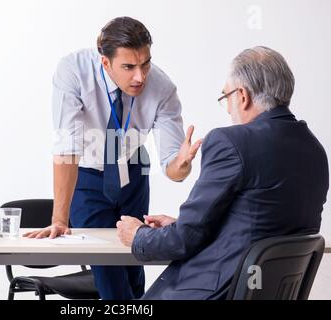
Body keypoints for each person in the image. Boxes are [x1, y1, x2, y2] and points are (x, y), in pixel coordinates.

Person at [117, 46, 329, 300]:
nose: (228, 109)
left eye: (225, 96)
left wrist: (139, 235)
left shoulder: (231, 141)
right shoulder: (314, 149)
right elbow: (260, 228)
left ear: (242, 95)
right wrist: (180, 224)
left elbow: (184, 239)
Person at [23, 17, 202, 300]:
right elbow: (67, 146)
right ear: (105, 63)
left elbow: (173, 166)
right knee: (110, 275)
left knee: (134, 264)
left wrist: (181, 165)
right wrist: (59, 218)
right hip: (88, 173)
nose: (140, 77)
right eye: (129, 67)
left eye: (145, 64)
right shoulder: (74, 71)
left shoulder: (162, 88)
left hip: (134, 171)